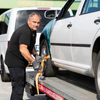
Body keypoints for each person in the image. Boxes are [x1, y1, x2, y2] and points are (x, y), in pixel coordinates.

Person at [5, 12, 42, 100]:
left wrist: (35, 54)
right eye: (34, 22)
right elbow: (23, 49)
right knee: (18, 87)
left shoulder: (32, 31)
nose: (36, 24)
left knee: (19, 85)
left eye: (38, 22)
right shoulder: (25, 32)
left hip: (19, 62)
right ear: (28, 21)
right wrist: (33, 62)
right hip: (15, 63)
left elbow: (30, 44)